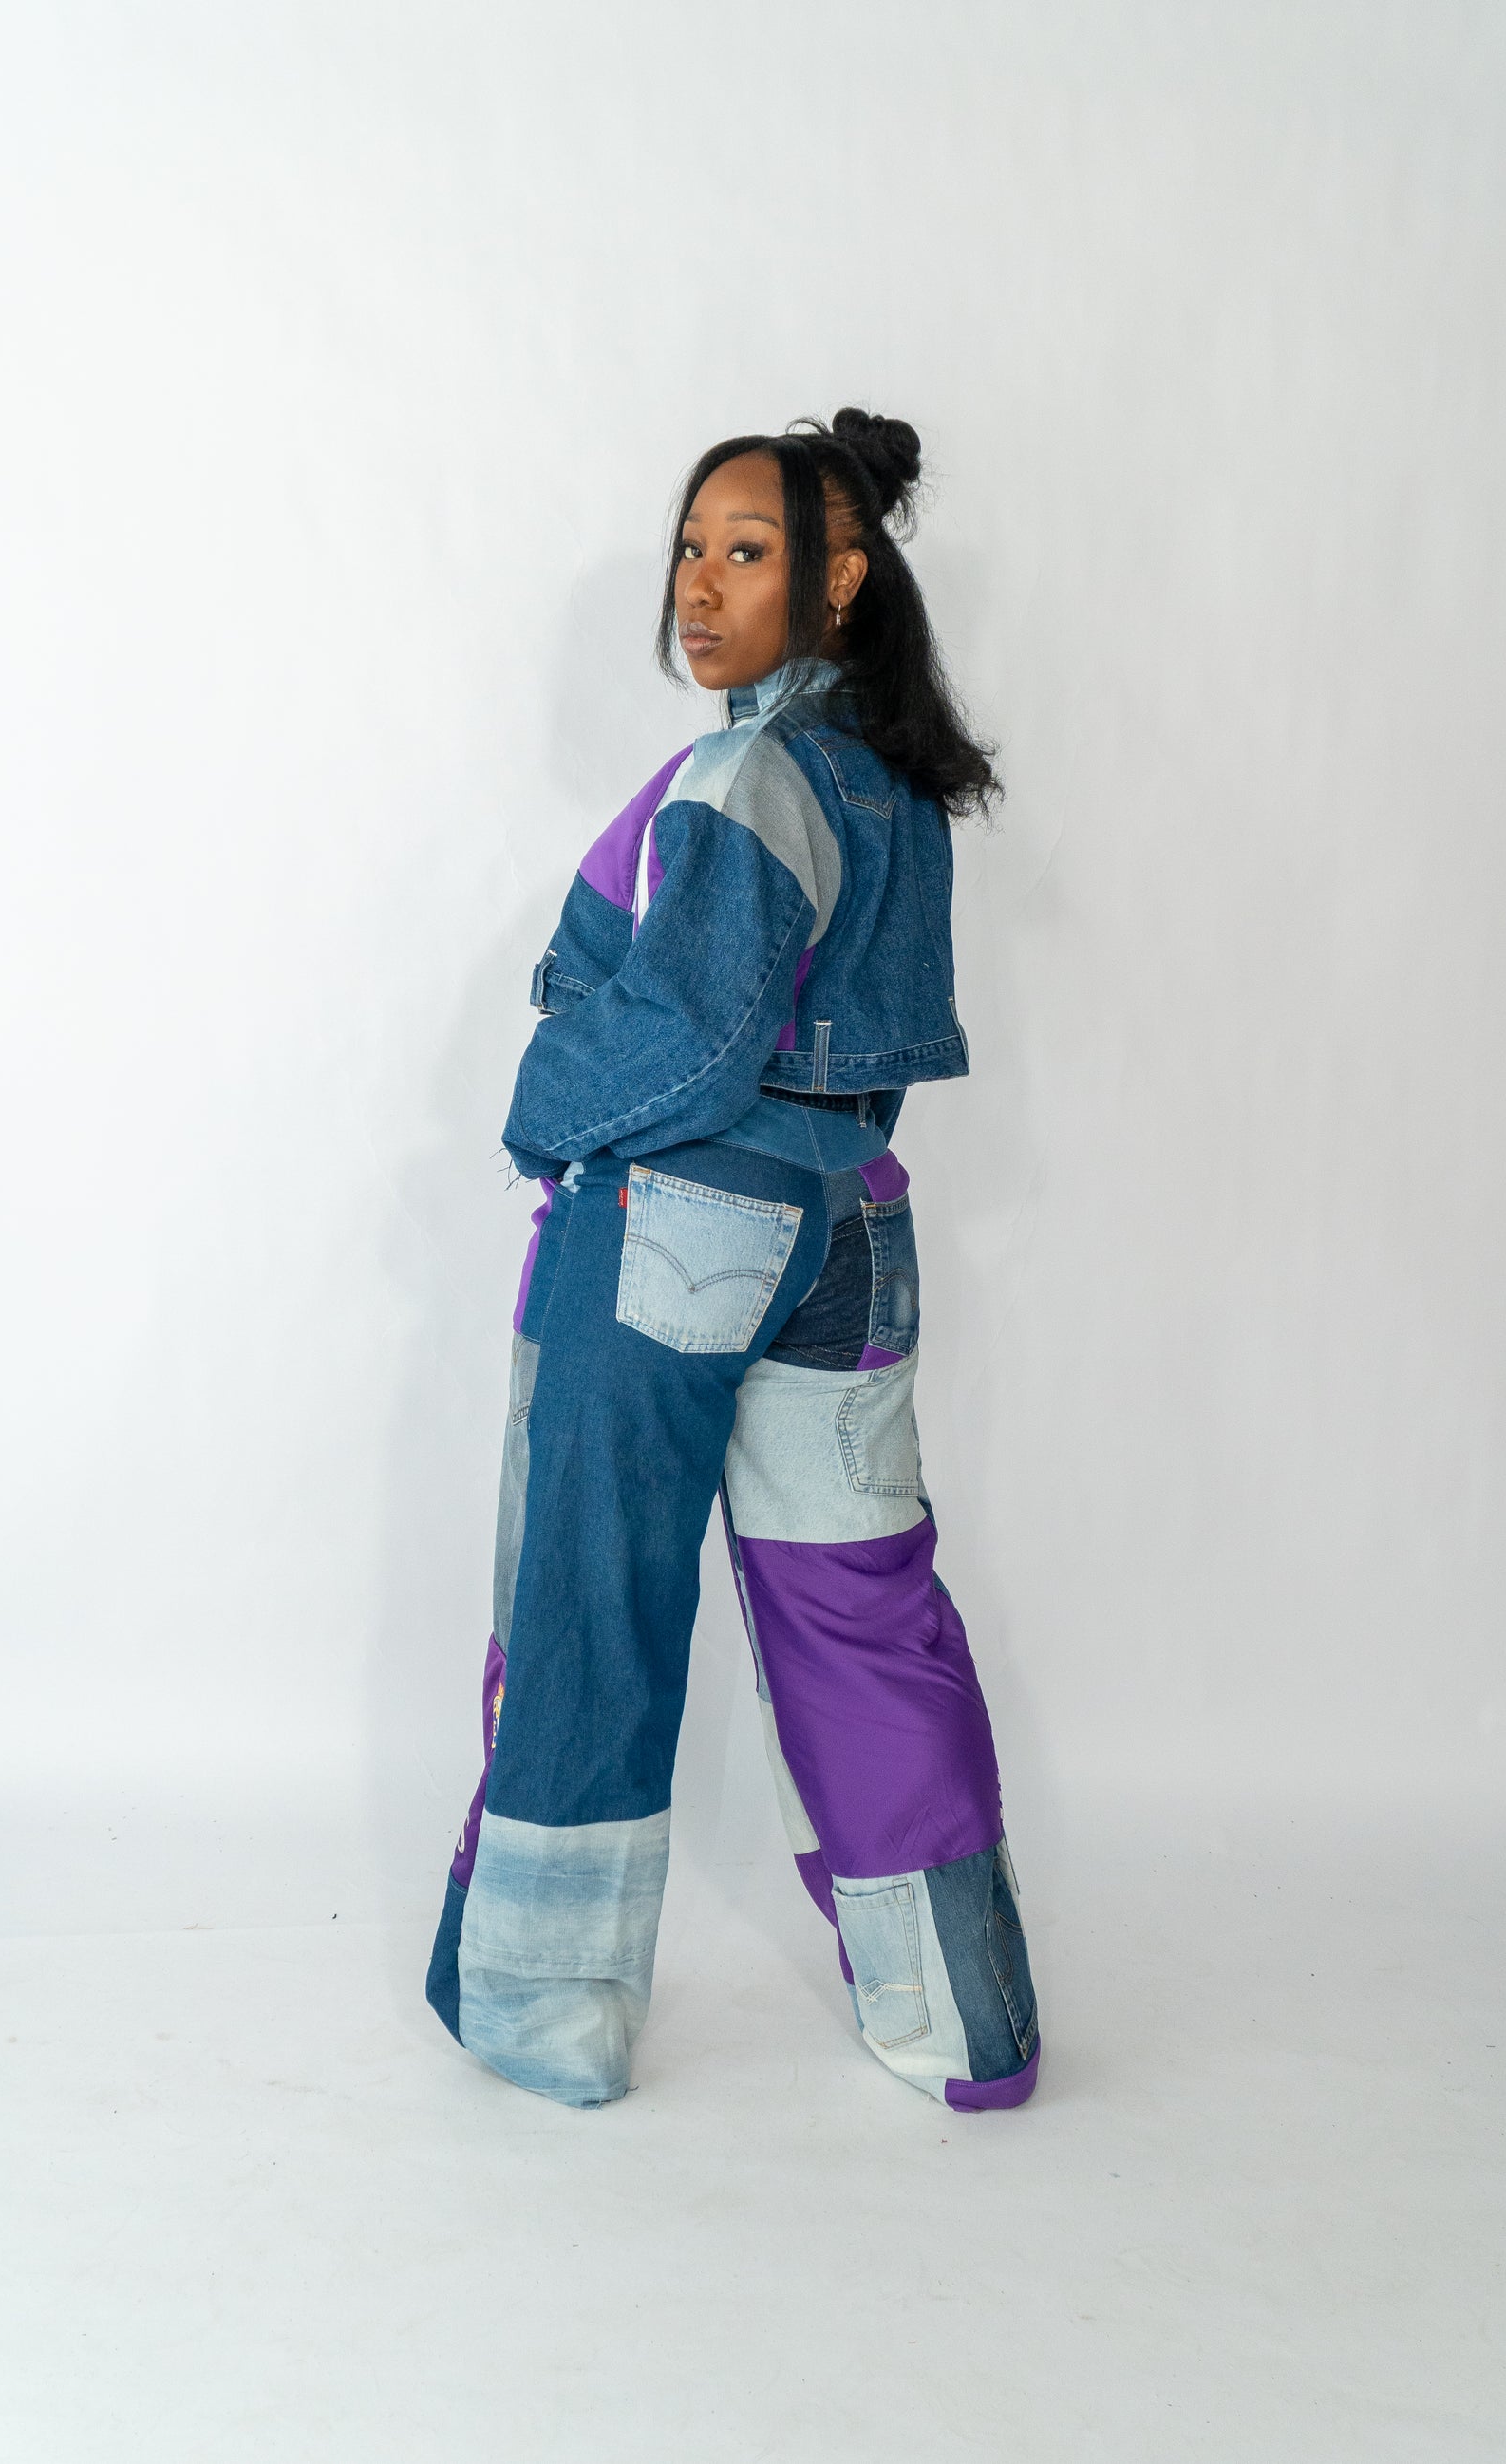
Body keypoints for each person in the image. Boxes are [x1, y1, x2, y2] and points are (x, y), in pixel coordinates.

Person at [425, 408, 1039, 2113]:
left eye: (747, 553)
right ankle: (964, 2024)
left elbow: (689, 1038)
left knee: (591, 1607)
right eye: (689, 550)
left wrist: (542, 1113)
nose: (700, 587)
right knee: (863, 1616)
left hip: (672, 1232)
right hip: (853, 1230)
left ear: (838, 581)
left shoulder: (742, 776)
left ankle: (546, 2019)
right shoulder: (896, 786)